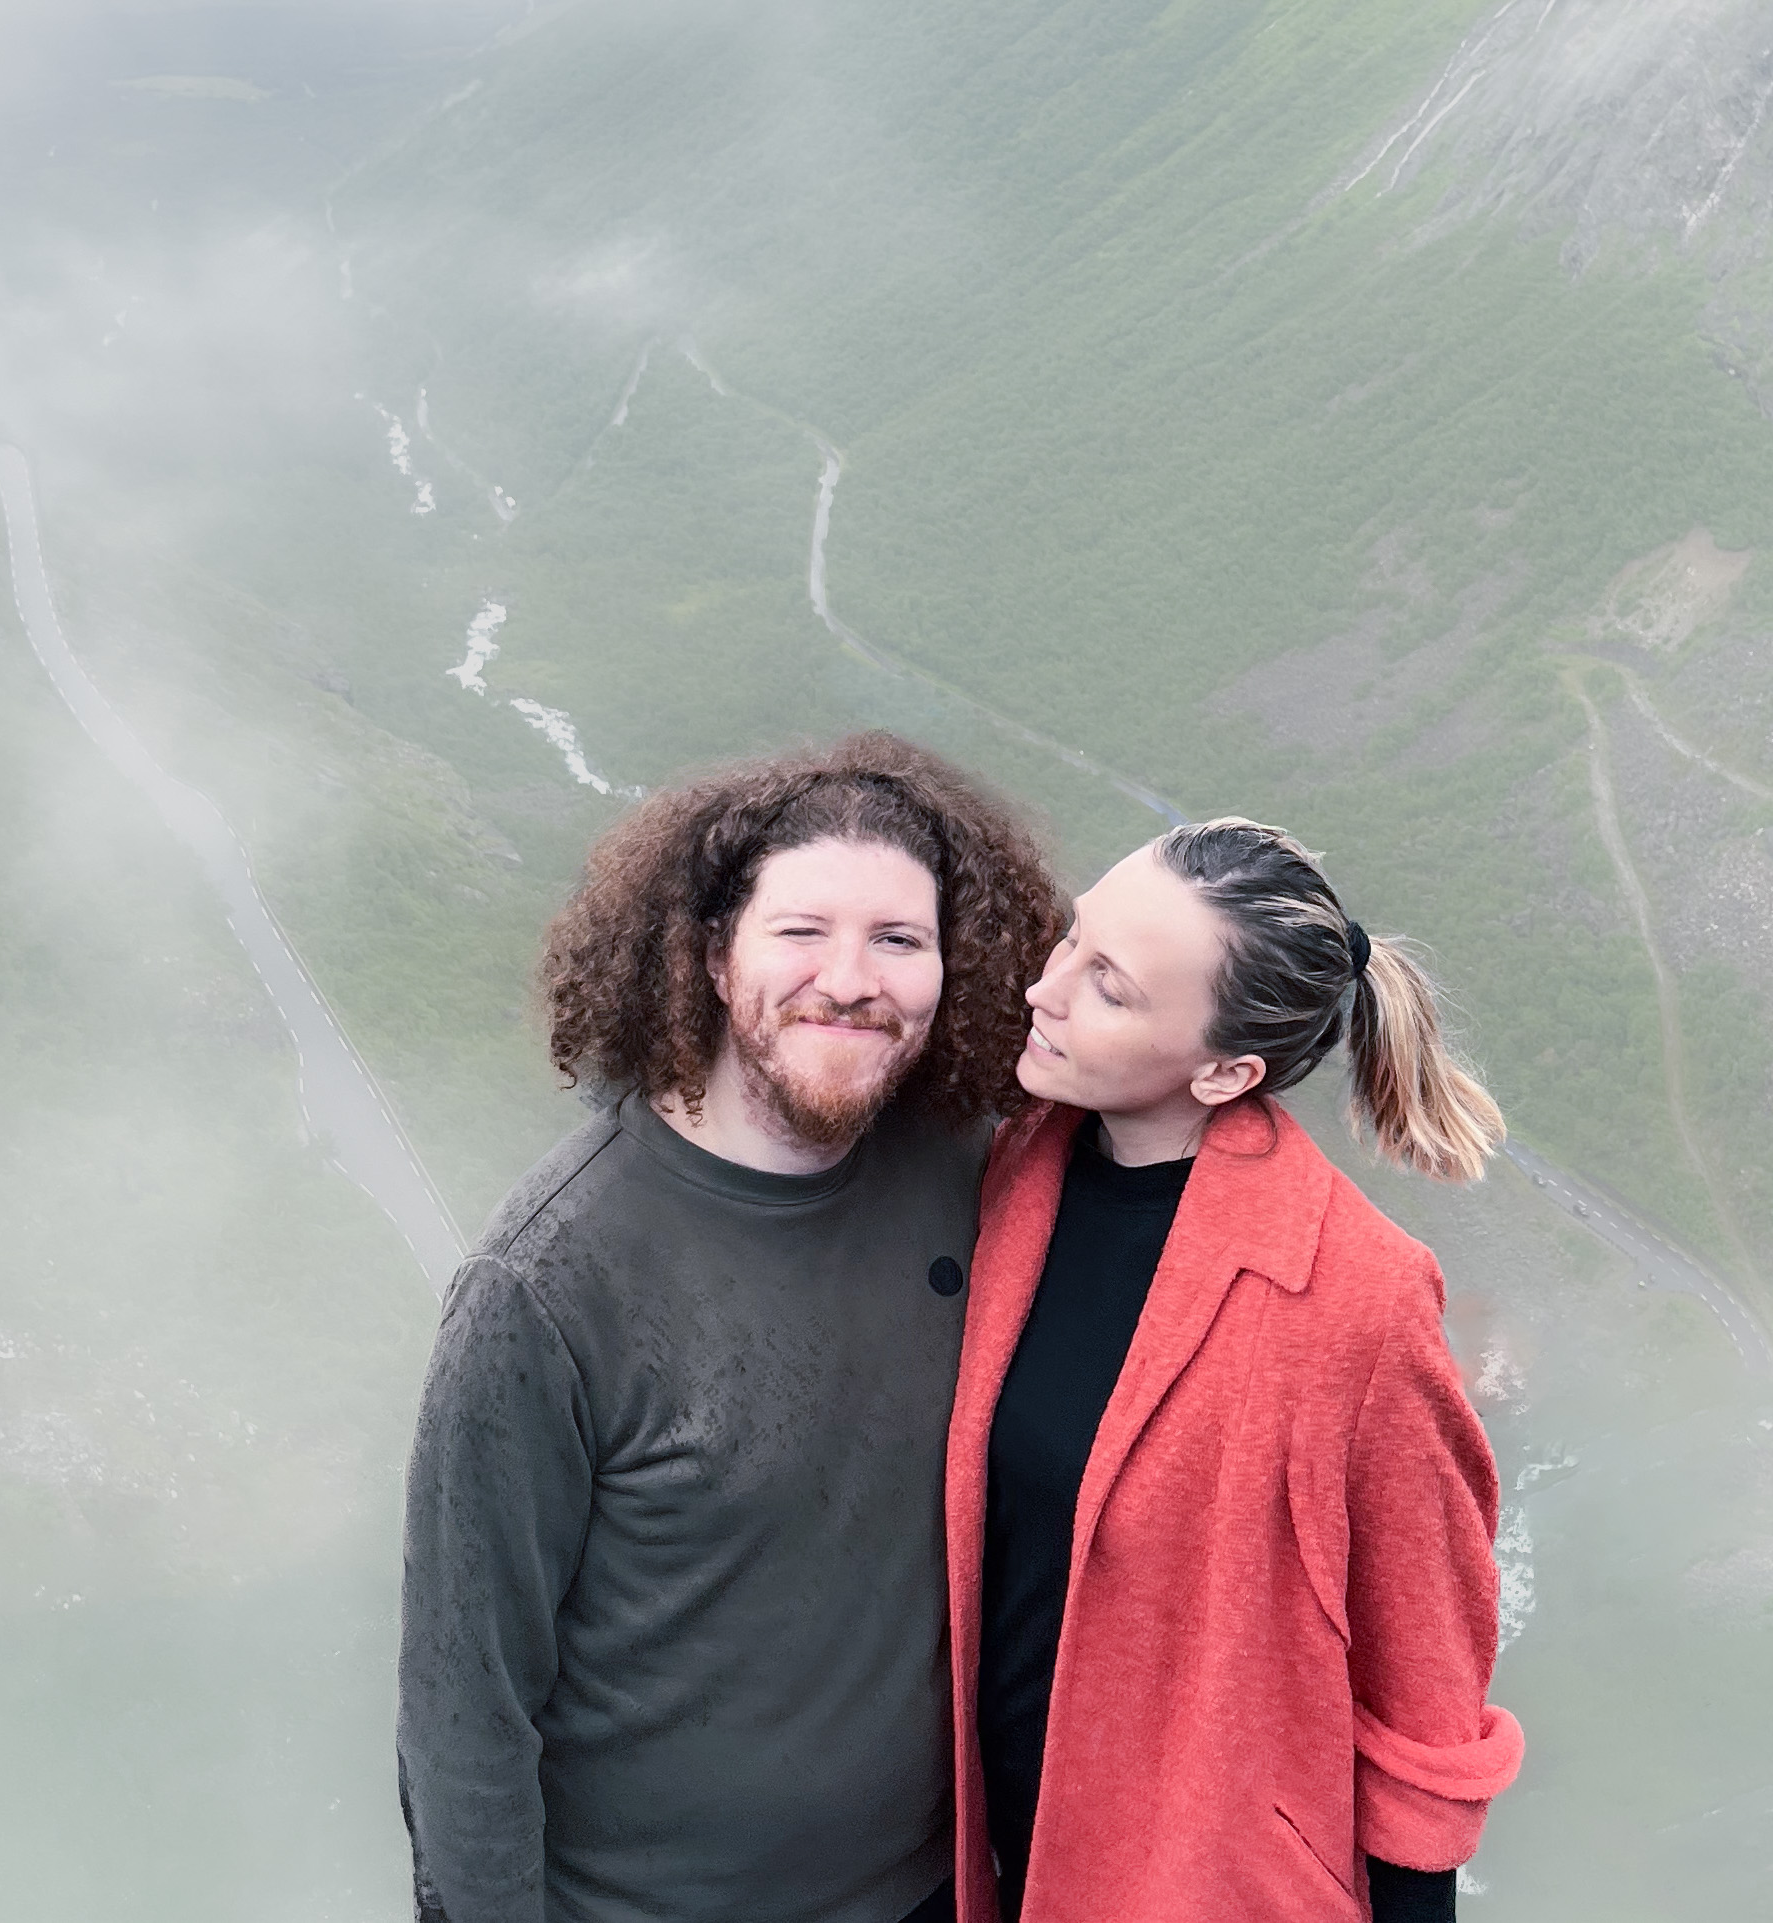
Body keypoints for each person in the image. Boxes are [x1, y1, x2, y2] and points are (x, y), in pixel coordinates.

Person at [398, 733, 1061, 1923]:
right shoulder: (545, 1286)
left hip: (929, 1896)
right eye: (800, 932)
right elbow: (464, 1711)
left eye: (898, 940)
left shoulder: (969, 1171)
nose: (851, 980)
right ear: (711, 955)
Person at [945, 818, 1525, 1923]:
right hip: (991, 1860)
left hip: (1200, 1886)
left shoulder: (1359, 1296)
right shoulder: (1015, 1169)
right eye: (1072, 939)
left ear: (1226, 1071)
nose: (1044, 989)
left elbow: (1426, 1673)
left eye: (1108, 987)